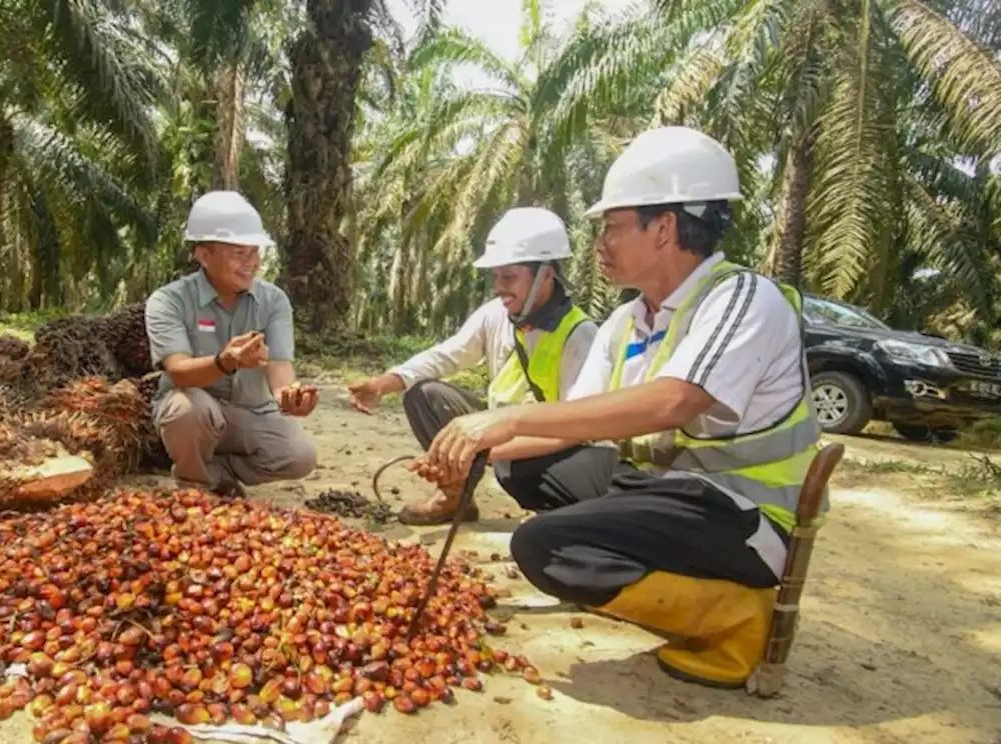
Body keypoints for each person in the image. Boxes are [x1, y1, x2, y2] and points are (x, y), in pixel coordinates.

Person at [423, 126, 825, 689]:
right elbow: (575, 422)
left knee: (545, 546)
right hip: (664, 490)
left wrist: (509, 417)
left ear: (663, 227)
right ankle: (678, 582)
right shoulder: (628, 319)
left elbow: (675, 401)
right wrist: (479, 451)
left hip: (745, 517)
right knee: (519, 464)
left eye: (612, 226)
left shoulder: (742, 298)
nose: (600, 245)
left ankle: (738, 616)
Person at [346, 207, 599, 525]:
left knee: (539, 482)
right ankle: (455, 499)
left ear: (545, 276)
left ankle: (557, 514)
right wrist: (384, 383)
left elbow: (573, 432)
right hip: (496, 432)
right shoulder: (496, 314)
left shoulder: (580, 335)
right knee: (425, 394)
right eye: (496, 276)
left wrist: (478, 451)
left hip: (546, 446)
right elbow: (447, 354)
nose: (498, 287)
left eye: (509, 277)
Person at [144, 190, 319, 497]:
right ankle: (195, 484)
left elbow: (280, 365)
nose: (251, 263)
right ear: (204, 255)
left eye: (255, 252)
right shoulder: (168, 301)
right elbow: (180, 372)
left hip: (249, 412)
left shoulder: (273, 301)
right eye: (239, 253)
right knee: (189, 409)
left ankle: (216, 471)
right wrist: (225, 362)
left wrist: (289, 396)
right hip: (193, 411)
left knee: (300, 456)